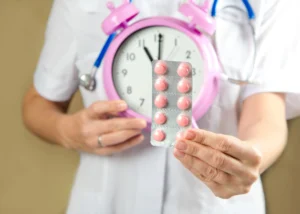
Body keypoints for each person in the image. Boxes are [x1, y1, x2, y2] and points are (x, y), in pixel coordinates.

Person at [22, 0, 300, 213]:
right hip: (105, 202)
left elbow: (266, 113)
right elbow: (38, 104)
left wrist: (251, 158)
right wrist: (68, 130)